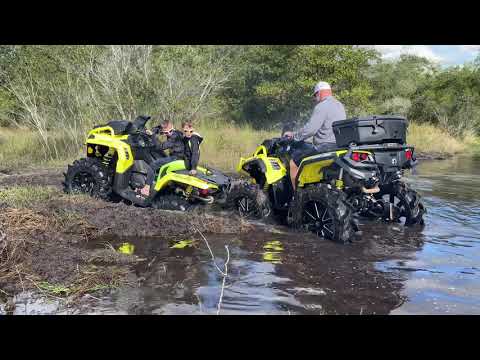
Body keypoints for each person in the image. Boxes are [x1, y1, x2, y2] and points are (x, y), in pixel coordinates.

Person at [283, 81, 346, 190]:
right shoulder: (339, 105)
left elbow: (310, 130)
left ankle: (296, 197)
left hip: (325, 147)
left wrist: (294, 136)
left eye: (315, 95)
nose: (315, 98)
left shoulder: (321, 106)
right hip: (339, 146)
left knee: (293, 162)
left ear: (319, 93)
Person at [139, 119, 185, 197]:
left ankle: (146, 189)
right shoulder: (173, 132)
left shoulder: (175, 136)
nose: (168, 134)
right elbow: (158, 128)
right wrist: (152, 131)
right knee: (159, 157)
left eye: (170, 131)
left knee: (153, 165)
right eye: (166, 133)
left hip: (177, 157)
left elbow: (161, 147)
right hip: (177, 156)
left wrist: (152, 136)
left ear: (173, 127)